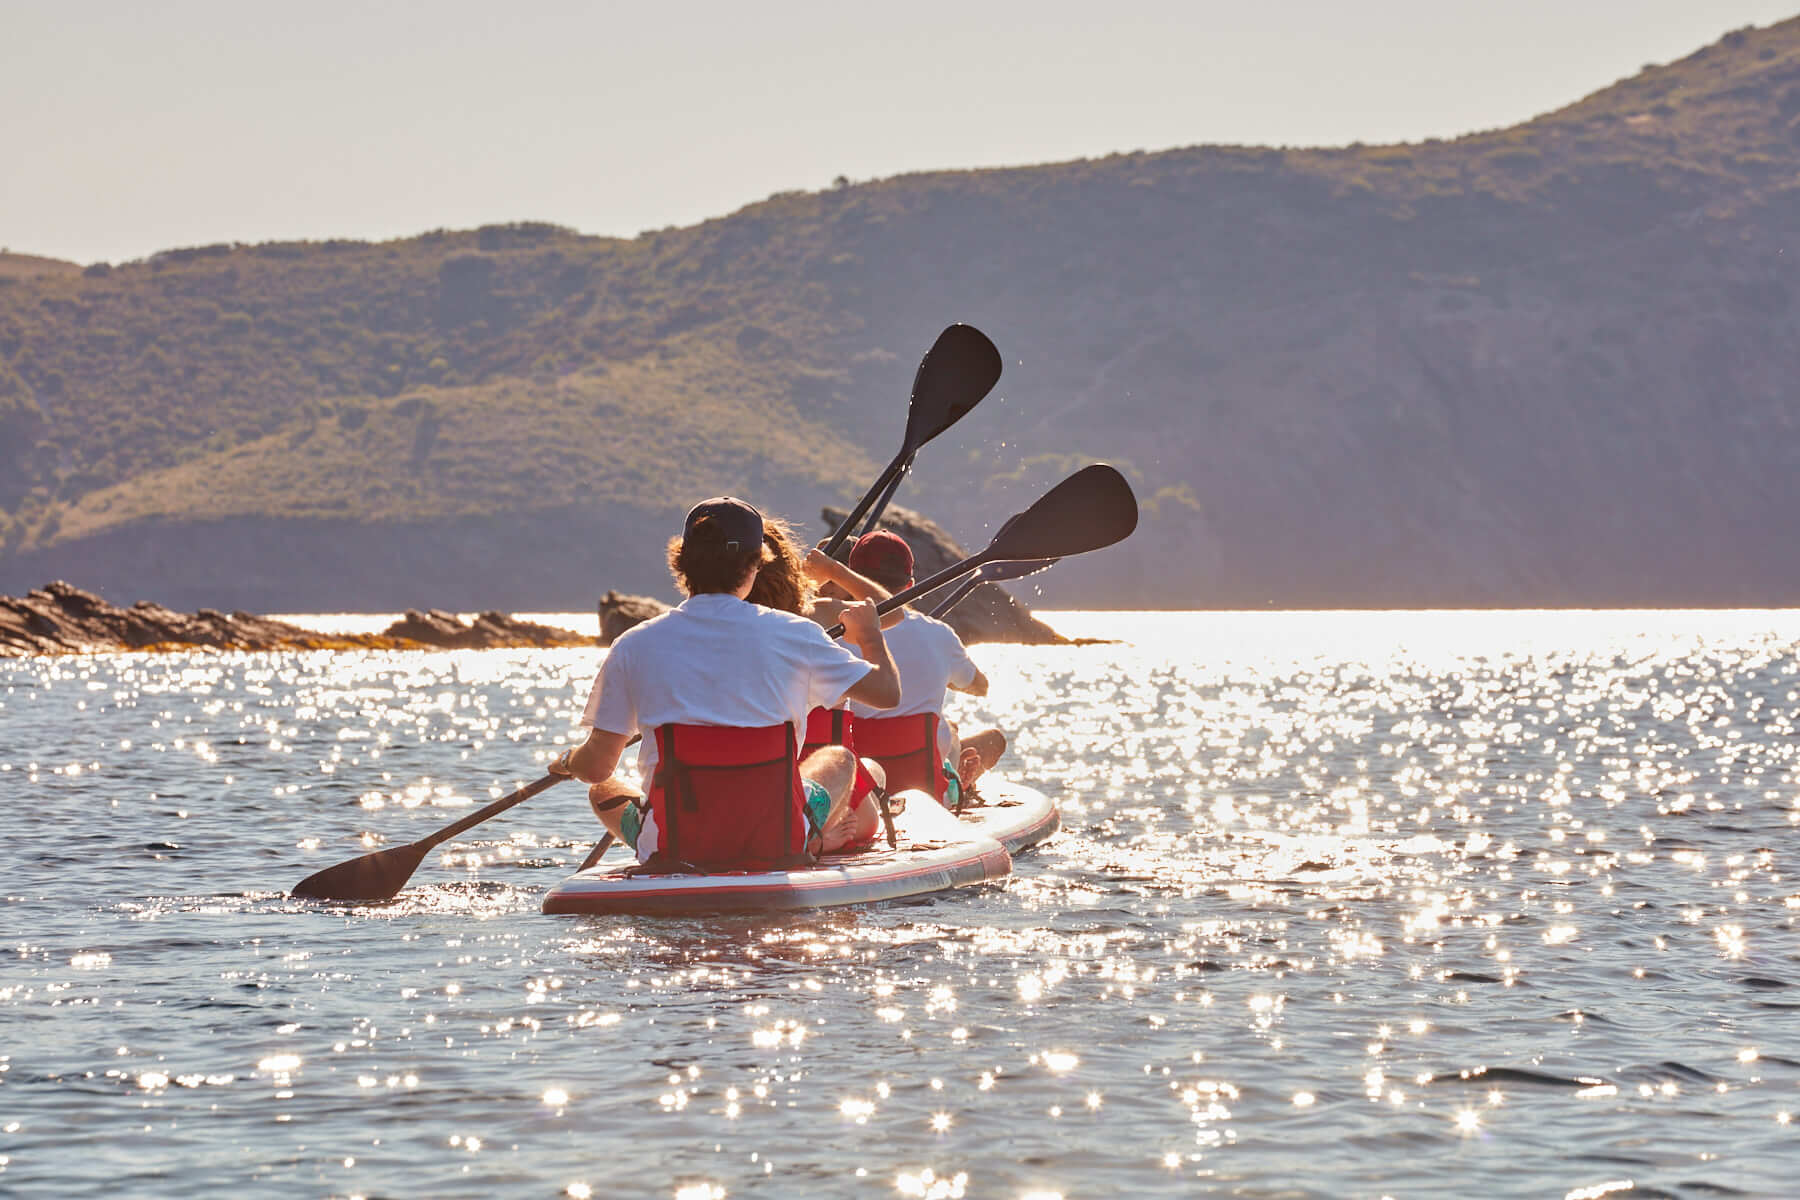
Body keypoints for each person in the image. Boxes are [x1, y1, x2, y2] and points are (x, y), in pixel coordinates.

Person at [547, 497, 901, 866]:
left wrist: (569, 761)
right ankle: (811, 835)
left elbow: (596, 768)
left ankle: (652, 840)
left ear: (682, 561)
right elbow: (887, 693)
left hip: (675, 847)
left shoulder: (632, 645)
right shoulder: (797, 634)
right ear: (756, 564)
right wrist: (870, 637)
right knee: (838, 758)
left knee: (602, 789)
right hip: (776, 842)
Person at [839, 529, 1007, 804]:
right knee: (989, 738)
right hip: (927, 793)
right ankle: (959, 786)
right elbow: (981, 687)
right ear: (910, 585)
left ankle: (956, 779)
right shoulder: (939, 634)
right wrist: (941, 672)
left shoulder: (828, 635)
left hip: (857, 796)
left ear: (851, 580)